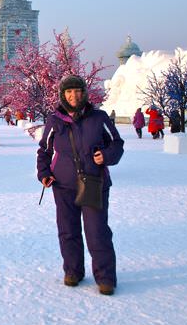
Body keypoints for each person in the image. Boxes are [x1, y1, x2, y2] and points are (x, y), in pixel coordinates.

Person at [37, 75, 124, 296]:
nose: (73, 96)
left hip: (94, 182)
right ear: (62, 95)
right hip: (64, 185)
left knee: (97, 232)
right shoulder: (55, 120)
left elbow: (117, 144)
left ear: (83, 93)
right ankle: (73, 271)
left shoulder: (99, 118)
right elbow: (44, 151)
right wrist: (45, 172)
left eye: (77, 91)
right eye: (68, 92)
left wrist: (105, 156)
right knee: (68, 231)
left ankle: (105, 277)